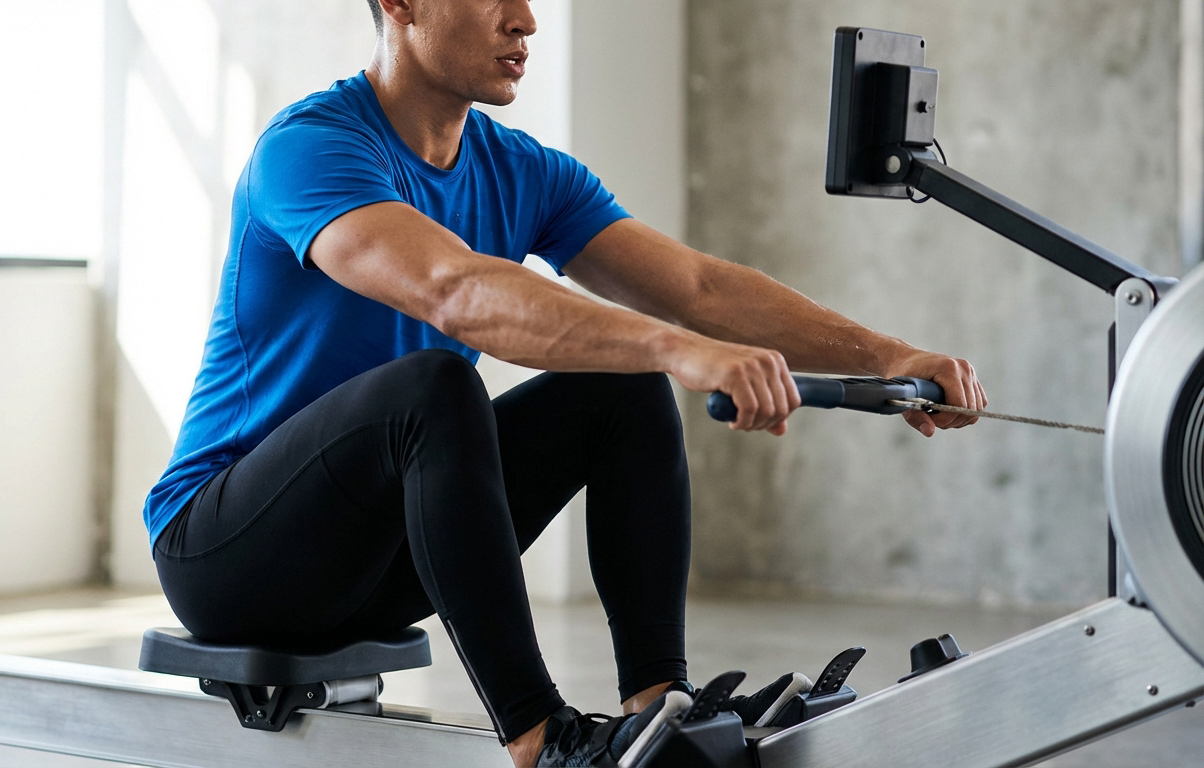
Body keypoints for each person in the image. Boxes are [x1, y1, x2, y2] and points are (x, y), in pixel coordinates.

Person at [142, 0, 987, 765]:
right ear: (400, 5)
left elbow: (697, 288)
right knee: (432, 389)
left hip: (378, 560)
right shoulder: (312, 149)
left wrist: (886, 356)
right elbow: (455, 290)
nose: (526, 21)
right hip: (226, 556)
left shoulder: (520, 170)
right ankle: (542, 741)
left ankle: (662, 705)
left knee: (617, 385)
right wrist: (678, 348)